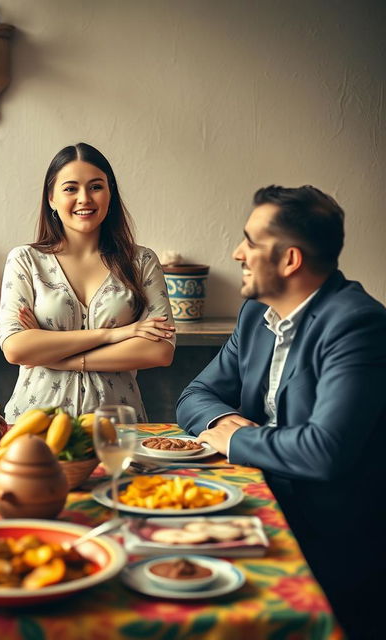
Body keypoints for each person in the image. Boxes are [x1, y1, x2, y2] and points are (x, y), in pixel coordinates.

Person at [176, 185, 386, 639]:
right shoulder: (256, 313)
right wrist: (219, 420)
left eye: (250, 241)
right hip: (255, 509)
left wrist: (236, 440)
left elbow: (324, 451)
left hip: (329, 544)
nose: (237, 253)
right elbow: (195, 394)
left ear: (289, 260)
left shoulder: (358, 324)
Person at [0, 143, 175, 423]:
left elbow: (160, 350)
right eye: (70, 188)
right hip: (33, 427)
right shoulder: (25, 260)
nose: (84, 198)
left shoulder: (141, 261)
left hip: (119, 429)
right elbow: (16, 348)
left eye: (96, 187)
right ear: (51, 198)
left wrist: (57, 356)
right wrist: (118, 334)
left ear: (110, 193)